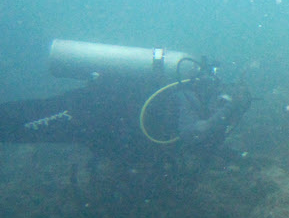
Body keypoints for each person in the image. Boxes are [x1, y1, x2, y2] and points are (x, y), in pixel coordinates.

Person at [0, 39, 251, 175]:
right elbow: (192, 132)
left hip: (101, 126)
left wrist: (234, 155)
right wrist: (225, 111)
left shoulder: (202, 103)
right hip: (92, 112)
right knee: (27, 123)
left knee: (31, 127)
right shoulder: (190, 94)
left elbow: (199, 140)